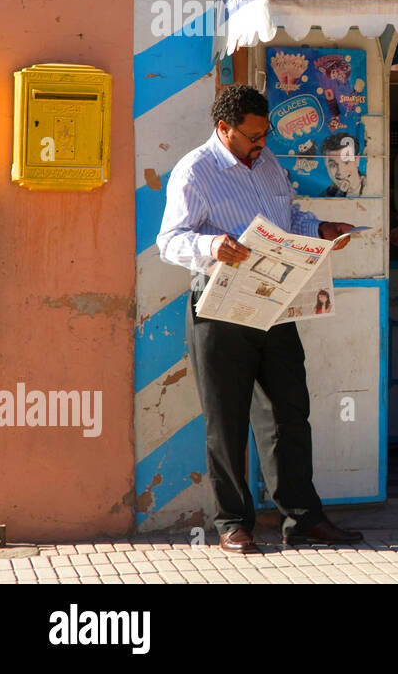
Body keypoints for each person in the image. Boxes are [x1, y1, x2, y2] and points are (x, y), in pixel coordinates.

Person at [156, 84, 363, 555]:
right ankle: (232, 522)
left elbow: (289, 215)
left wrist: (321, 230)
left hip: (275, 305)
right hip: (218, 305)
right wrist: (212, 246)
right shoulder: (195, 171)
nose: (261, 142)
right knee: (225, 419)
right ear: (223, 129)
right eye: (252, 135)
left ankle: (303, 518)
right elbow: (170, 240)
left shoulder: (268, 164)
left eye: (265, 133)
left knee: (289, 411)